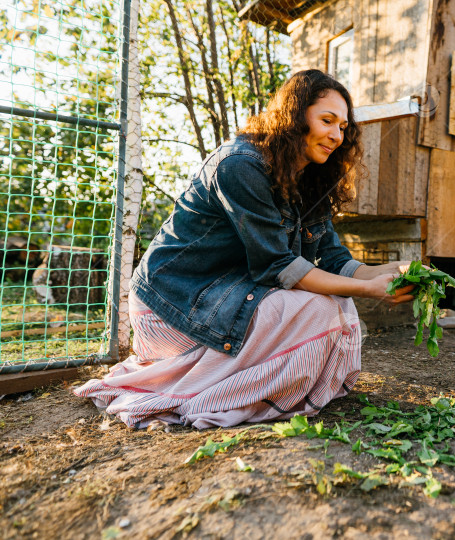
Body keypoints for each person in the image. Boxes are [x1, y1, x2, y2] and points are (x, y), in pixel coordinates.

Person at [74, 70, 415, 429]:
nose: (336, 135)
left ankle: (269, 385)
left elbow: (332, 258)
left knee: (337, 304)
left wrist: (391, 272)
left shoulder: (308, 178)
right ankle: (211, 391)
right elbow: (278, 267)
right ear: (296, 116)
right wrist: (368, 289)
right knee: (320, 309)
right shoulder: (241, 165)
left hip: (229, 296)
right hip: (172, 305)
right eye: (327, 120)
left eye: (343, 127)